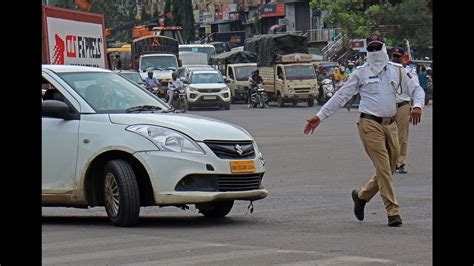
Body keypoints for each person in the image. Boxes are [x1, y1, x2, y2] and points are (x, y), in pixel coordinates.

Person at [303, 35, 424, 227]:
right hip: (369, 123)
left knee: (391, 168)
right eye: (372, 49)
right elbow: (341, 96)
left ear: (384, 48)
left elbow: (417, 89)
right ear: (367, 52)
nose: (375, 52)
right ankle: (393, 211)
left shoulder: (399, 71)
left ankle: (361, 196)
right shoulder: (360, 73)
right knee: (383, 167)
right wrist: (320, 116)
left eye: (378, 48)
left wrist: (417, 106)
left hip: (390, 124)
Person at [391, 47, 426, 174]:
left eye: (398, 56)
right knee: (387, 136)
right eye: (394, 56)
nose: (395, 58)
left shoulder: (408, 72)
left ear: (403, 58)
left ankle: (400, 163)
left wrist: (417, 106)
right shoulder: (385, 71)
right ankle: (390, 161)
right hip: (388, 106)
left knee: (402, 136)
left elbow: (417, 89)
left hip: (403, 105)